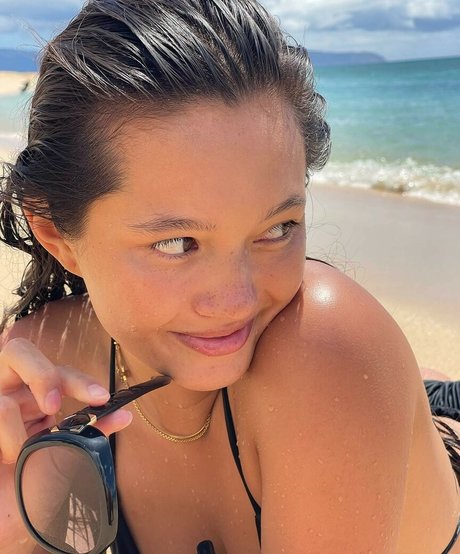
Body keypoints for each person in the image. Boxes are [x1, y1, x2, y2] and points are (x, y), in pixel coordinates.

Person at [0, 1, 459, 552]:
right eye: (176, 244)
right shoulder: (43, 376)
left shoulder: (326, 347)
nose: (235, 300)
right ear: (56, 235)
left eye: (277, 229)